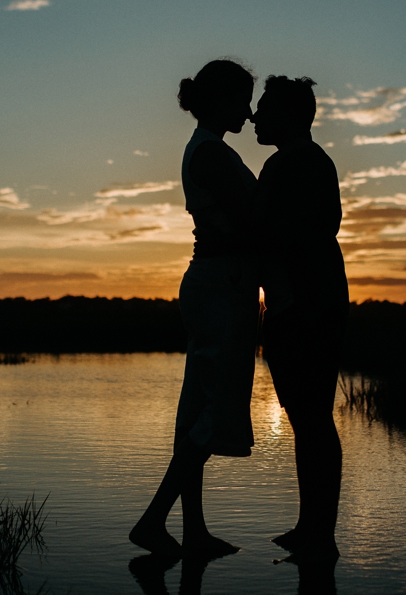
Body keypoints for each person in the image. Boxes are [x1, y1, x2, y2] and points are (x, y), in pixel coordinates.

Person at [129, 59, 260, 560]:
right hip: (222, 285)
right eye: (242, 102)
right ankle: (154, 520)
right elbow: (252, 223)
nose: (248, 114)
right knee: (211, 410)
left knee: (197, 412)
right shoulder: (212, 155)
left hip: (218, 282)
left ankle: (195, 532)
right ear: (220, 101)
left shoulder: (209, 150)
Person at [252, 75, 348, 562]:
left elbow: (310, 229)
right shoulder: (294, 162)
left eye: (264, 108)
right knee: (306, 419)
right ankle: (310, 526)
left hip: (307, 308)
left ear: (290, 115)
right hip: (302, 305)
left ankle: (321, 537)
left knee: (313, 419)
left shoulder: (301, 162)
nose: (253, 116)